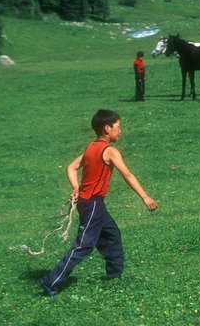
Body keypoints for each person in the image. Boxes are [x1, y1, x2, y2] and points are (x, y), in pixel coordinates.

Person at [40, 109, 157, 297]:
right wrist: (145, 197)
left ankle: (114, 275)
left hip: (93, 203)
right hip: (92, 204)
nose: (120, 131)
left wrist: (76, 187)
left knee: (111, 235)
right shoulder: (109, 151)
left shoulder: (91, 147)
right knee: (83, 245)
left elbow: (71, 167)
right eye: (118, 128)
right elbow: (127, 174)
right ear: (107, 128)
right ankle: (51, 281)